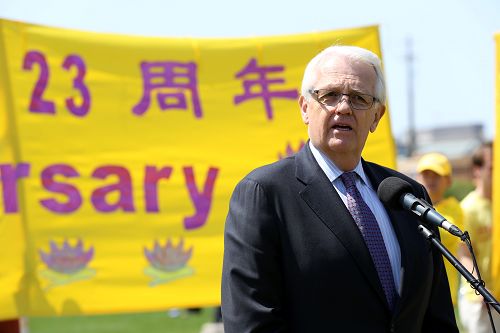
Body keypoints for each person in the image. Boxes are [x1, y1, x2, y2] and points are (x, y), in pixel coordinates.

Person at [221, 45, 458, 332]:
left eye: (359, 98)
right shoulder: (265, 194)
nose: (343, 107)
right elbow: (252, 322)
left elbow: (437, 317)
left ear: (376, 117)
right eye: (330, 95)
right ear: (305, 107)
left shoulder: (407, 195)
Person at [458, 141, 500, 333]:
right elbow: (463, 255)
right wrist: (481, 290)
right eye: (492, 167)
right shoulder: (468, 208)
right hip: (481, 302)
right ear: (477, 170)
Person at [416, 152, 464, 307]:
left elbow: (463, 250)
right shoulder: (408, 207)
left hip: (445, 291)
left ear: (448, 180)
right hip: (417, 293)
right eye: (425, 175)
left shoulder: (456, 208)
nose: (430, 180)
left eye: (436, 175)